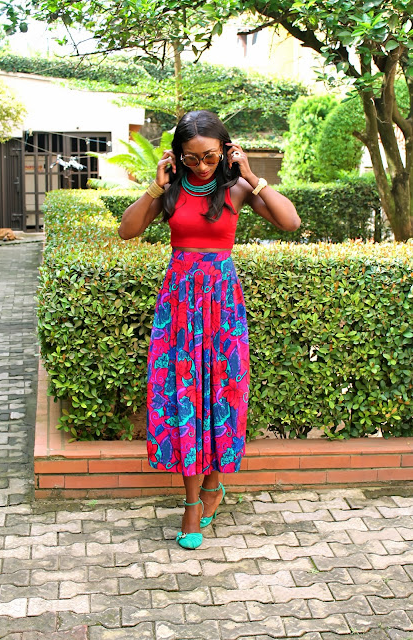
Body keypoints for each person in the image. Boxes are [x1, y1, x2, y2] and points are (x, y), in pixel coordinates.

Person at [118, 110, 301, 549]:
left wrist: (252, 176)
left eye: (210, 157)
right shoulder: (171, 190)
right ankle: (191, 504)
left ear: (226, 151)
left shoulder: (237, 188)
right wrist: (155, 186)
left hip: (222, 305)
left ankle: (214, 485)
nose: (201, 166)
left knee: (222, 391)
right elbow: (127, 230)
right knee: (183, 394)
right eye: (191, 158)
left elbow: (290, 222)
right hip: (180, 306)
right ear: (177, 156)